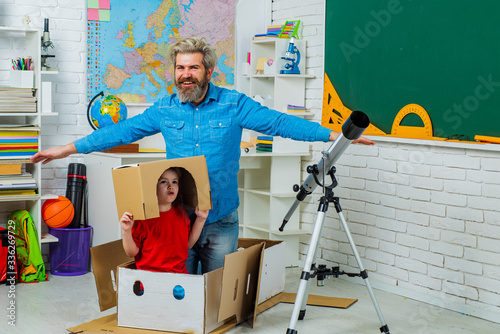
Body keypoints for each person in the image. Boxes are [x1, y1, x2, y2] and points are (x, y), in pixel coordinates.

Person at [30, 37, 374, 274]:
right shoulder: (164, 110)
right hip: (178, 220)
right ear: (174, 72)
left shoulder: (233, 103)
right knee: (181, 289)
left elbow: (278, 123)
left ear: (208, 71)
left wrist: (335, 135)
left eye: (193, 68)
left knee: (216, 293)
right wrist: (65, 149)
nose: (186, 75)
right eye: (180, 68)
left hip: (221, 218)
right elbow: (117, 133)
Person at [120, 167, 209, 273]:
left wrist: (201, 219)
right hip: (150, 277)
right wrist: (126, 231)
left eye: (174, 182)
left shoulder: (181, 212)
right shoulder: (143, 218)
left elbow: (188, 244)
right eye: (163, 182)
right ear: (152, 188)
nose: (170, 186)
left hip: (179, 277)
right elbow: (131, 253)